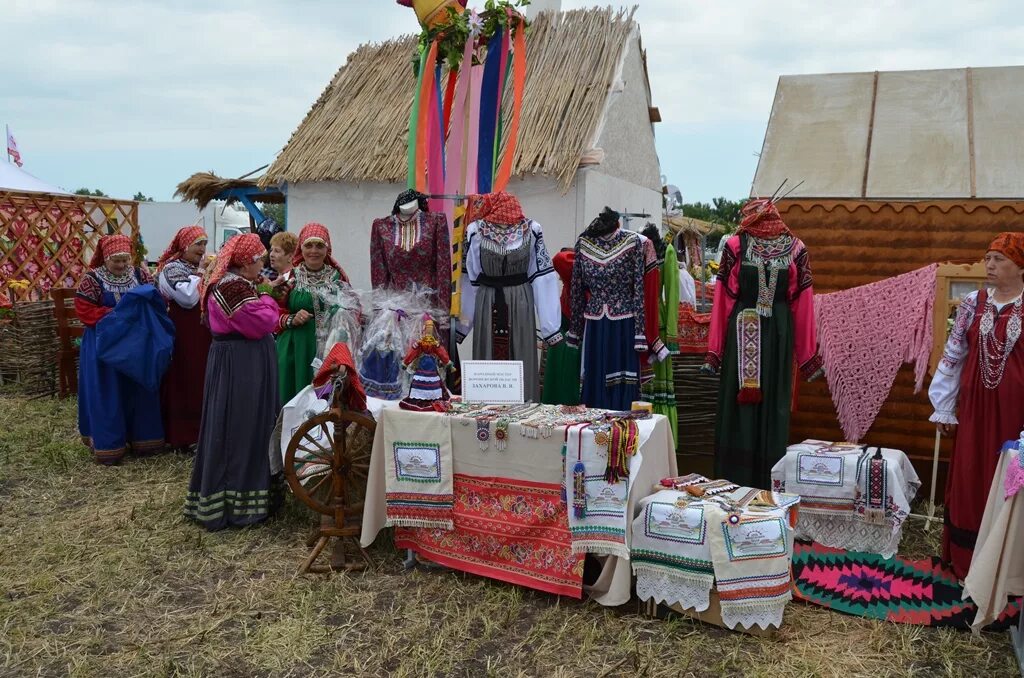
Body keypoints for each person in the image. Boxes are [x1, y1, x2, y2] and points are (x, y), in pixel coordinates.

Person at [929, 232, 1024, 579]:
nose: (990, 265)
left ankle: (1004, 567)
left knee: (1010, 480)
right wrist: (943, 404)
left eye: (999, 259)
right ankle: (966, 561)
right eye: (987, 258)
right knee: (970, 477)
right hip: (973, 410)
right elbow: (954, 354)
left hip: (1016, 416)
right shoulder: (973, 303)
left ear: (1019, 265)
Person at [185, 233, 282, 531]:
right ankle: (238, 503)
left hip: (242, 360)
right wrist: (268, 297)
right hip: (240, 365)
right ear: (243, 264)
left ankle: (248, 496)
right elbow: (263, 321)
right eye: (259, 260)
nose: (263, 265)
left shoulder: (236, 284)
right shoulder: (233, 288)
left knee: (246, 422)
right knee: (241, 424)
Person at [75, 234, 165, 464]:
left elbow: (156, 299)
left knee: (138, 387)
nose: (122, 265)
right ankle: (111, 445)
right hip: (103, 345)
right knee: (108, 391)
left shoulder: (140, 274)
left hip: (134, 344)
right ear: (105, 258)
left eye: (126, 260)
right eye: (117, 261)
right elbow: (84, 311)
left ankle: (143, 440)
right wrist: (120, 315)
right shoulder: (92, 279)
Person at [276, 223, 353, 403]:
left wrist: (342, 316)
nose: (314, 251)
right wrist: (291, 319)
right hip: (295, 349)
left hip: (329, 348)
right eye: (308, 245)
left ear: (328, 248)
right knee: (295, 400)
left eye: (320, 246)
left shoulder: (338, 277)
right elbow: (272, 313)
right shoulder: (289, 278)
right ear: (300, 248)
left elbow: (353, 310)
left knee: (326, 402)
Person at [156, 225, 211, 453]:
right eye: (198, 243)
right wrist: (202, 274)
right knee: (185, 378)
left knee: (200, 379)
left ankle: (200, 433)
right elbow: (188, 298)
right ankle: (182, 435)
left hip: (202, 334)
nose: (202, 249)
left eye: (204, 244)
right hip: (183, 334)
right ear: (184, 245)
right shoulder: (172, 269)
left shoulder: (194, 268)